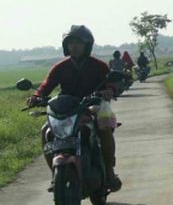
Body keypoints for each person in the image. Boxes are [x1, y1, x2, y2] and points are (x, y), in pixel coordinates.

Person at [26, 25, 122, 192]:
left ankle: (109, 171)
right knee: (46, 131)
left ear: (87, 45)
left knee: (104, 129)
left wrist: (109, 90)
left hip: (92, 106)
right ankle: (55, 175)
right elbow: (45, 86)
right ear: (66, 46)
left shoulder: (98, 65)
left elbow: (111, 82)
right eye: (71, 43)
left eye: (79, 42)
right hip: (67, 109)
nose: (74, 46)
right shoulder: (60, 67)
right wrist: (36, 97)